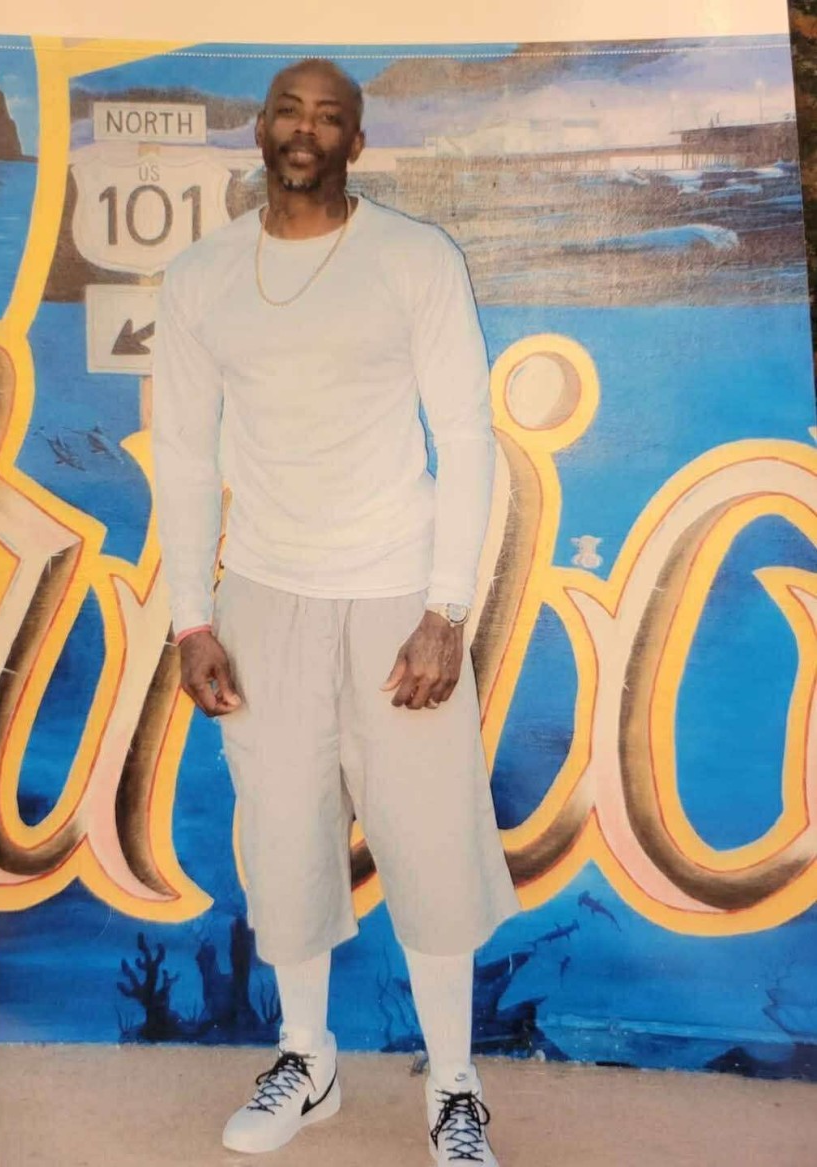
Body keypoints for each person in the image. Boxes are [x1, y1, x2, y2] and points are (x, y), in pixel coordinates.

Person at [151, 56, 520, 1166]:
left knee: (432, 841)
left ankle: (452, 1083)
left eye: (329, 116)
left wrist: (446, 610)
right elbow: (182, 455)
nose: (305, 130)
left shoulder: (414, 257)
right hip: (262, 595)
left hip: (397, 592)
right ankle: (305, 1059)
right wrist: (190, 619)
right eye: (288, 111)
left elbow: (465, 437)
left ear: (356, 142)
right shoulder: (202, 275)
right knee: (283, 838)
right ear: (259, 129)